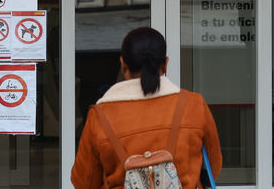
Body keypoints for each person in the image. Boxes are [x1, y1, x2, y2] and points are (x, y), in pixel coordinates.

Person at [71, 27, 222, 189]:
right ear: (165, 63)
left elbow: (84, 182)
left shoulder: (100, 115)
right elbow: (213, 167)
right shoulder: (193, 104)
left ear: (123, 64)